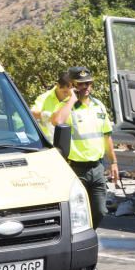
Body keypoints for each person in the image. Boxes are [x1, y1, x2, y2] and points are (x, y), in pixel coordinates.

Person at [50, 66, 118, 230]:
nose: (86, 87)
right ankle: (80, 240)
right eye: (81, 84)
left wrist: (113, 162)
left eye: (88, 83)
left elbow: (106, 136)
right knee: (77, 212)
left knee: (100, 211)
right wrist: (72, 100)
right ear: (72, 85)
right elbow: (57, 121)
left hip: (97, 168)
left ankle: (87, 234)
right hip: (76, 169)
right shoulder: (68, 106)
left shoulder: (98, 106)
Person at [31, 71, 71, 137]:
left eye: (70, 88)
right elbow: (32, 113)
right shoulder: (44, 97)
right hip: (48, 142)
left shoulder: (73, 99)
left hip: (68, 141)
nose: (68, 93)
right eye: (65, 91)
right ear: (58, 85)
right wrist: (45, 115)